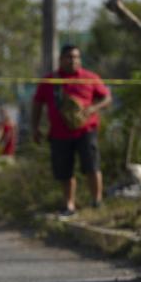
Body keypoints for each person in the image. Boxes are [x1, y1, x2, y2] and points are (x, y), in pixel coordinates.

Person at [31, 45, 112, 216]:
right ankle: (69, 205)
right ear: (61, 59)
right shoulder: (50, 80)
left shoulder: (90, 77)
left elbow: (106, 97)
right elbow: (37, 104)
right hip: (59, 134)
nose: (73, 60)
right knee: (64, 171)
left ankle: (97, 201)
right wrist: (35, 127)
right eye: (69, 57)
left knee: (92, 166)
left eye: (76, 57)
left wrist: (92, 108)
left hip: (86, 131)